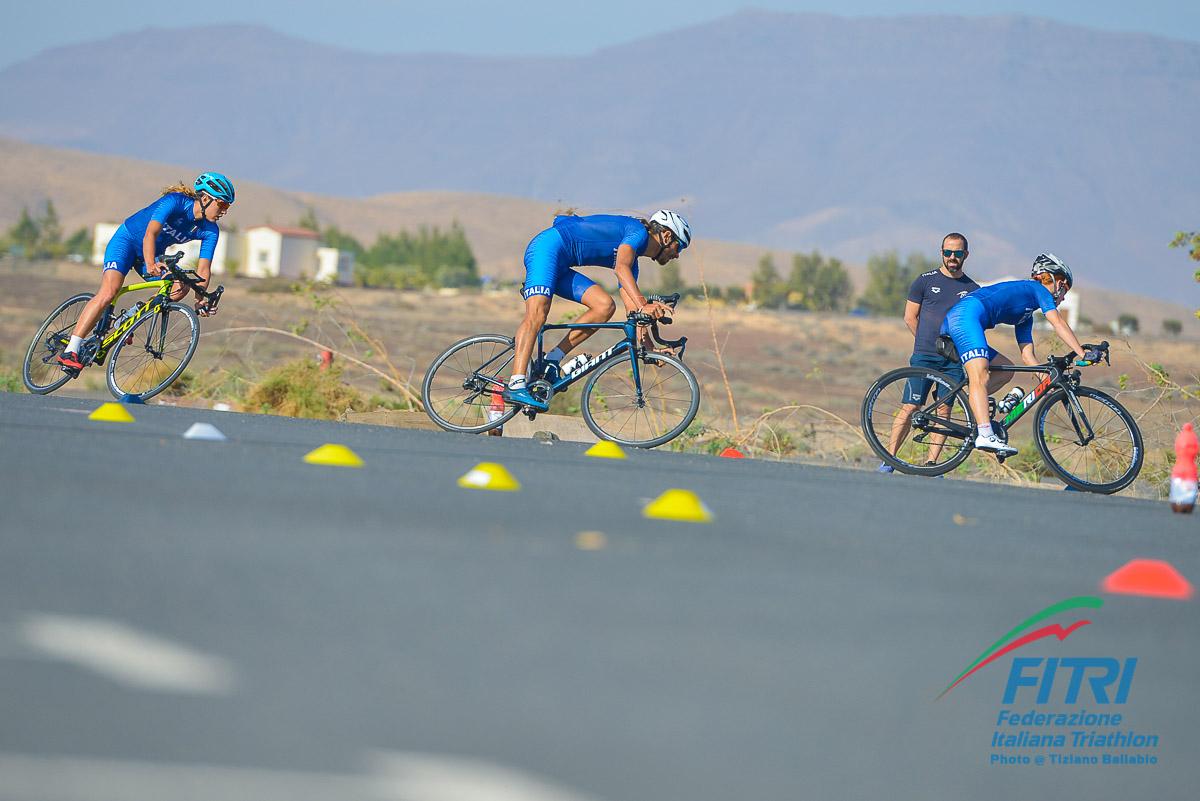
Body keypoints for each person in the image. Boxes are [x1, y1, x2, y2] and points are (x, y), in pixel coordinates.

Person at [503, 209, 692, 411]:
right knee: (537, 314)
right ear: (666, 235)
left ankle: (552, 360)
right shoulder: (638, 232)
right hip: (546, 250)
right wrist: (644, 304)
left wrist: (649, 347)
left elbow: (634, 313)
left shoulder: (633, 262)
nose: (678, 255)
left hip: (561, 262)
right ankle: (516, 384)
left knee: (605, 306)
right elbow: (621, 268)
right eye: (679, 246)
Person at [57, 172, 235, 376]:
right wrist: (151, 263)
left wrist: (200, 298)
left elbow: (204, 269)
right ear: (205, 198)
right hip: (127, 242)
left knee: (179, 287)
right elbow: (151, 233)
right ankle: (71, 349)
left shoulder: (210, 230)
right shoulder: (175, 202)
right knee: (109, 292)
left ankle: (128, 318)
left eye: (227, 207)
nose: (224, 211)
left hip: (151, 254)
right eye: (222, 205)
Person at [939, 252, 1098, 457]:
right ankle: (985, 434)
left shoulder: (1026, 315)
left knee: (1005, 370)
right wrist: (1081, 352)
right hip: (965, 316)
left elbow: (1027, 358)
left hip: (968, 318)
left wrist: (1047, 381)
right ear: (1055, 280)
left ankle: (973, 404)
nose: (1064, 296)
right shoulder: (1037, 288)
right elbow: (1057, 322)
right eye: (1065, 288)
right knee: (981, 374)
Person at [880, 233, 980, 473]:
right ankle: (889, 460)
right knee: (911, 406)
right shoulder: (924, 281)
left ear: (966, 255)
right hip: (924, 356)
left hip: (954, 361)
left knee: (944, 409)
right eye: (948, 252)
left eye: (957, 253)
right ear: (941, 253)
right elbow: (909, 317)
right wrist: (927, 343)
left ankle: (932, 464)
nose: (952, 257)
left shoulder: (973, 288)